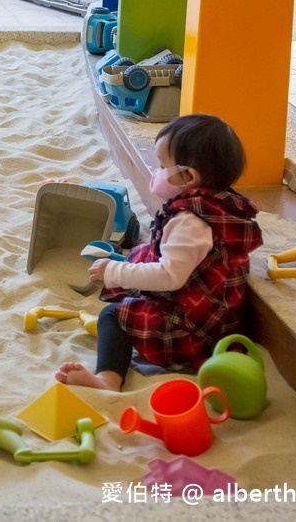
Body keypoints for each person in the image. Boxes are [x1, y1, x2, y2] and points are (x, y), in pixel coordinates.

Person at [56, 113, 263, 391]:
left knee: (113, 317)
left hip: (195, 331)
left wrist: (114, 270)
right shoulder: (219, 205)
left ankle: (107, 380)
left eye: (162, 166)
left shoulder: (190, 221)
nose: (155, 172)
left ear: (188, 176)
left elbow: (170, 277)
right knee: (135, 269)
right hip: (214, 315)